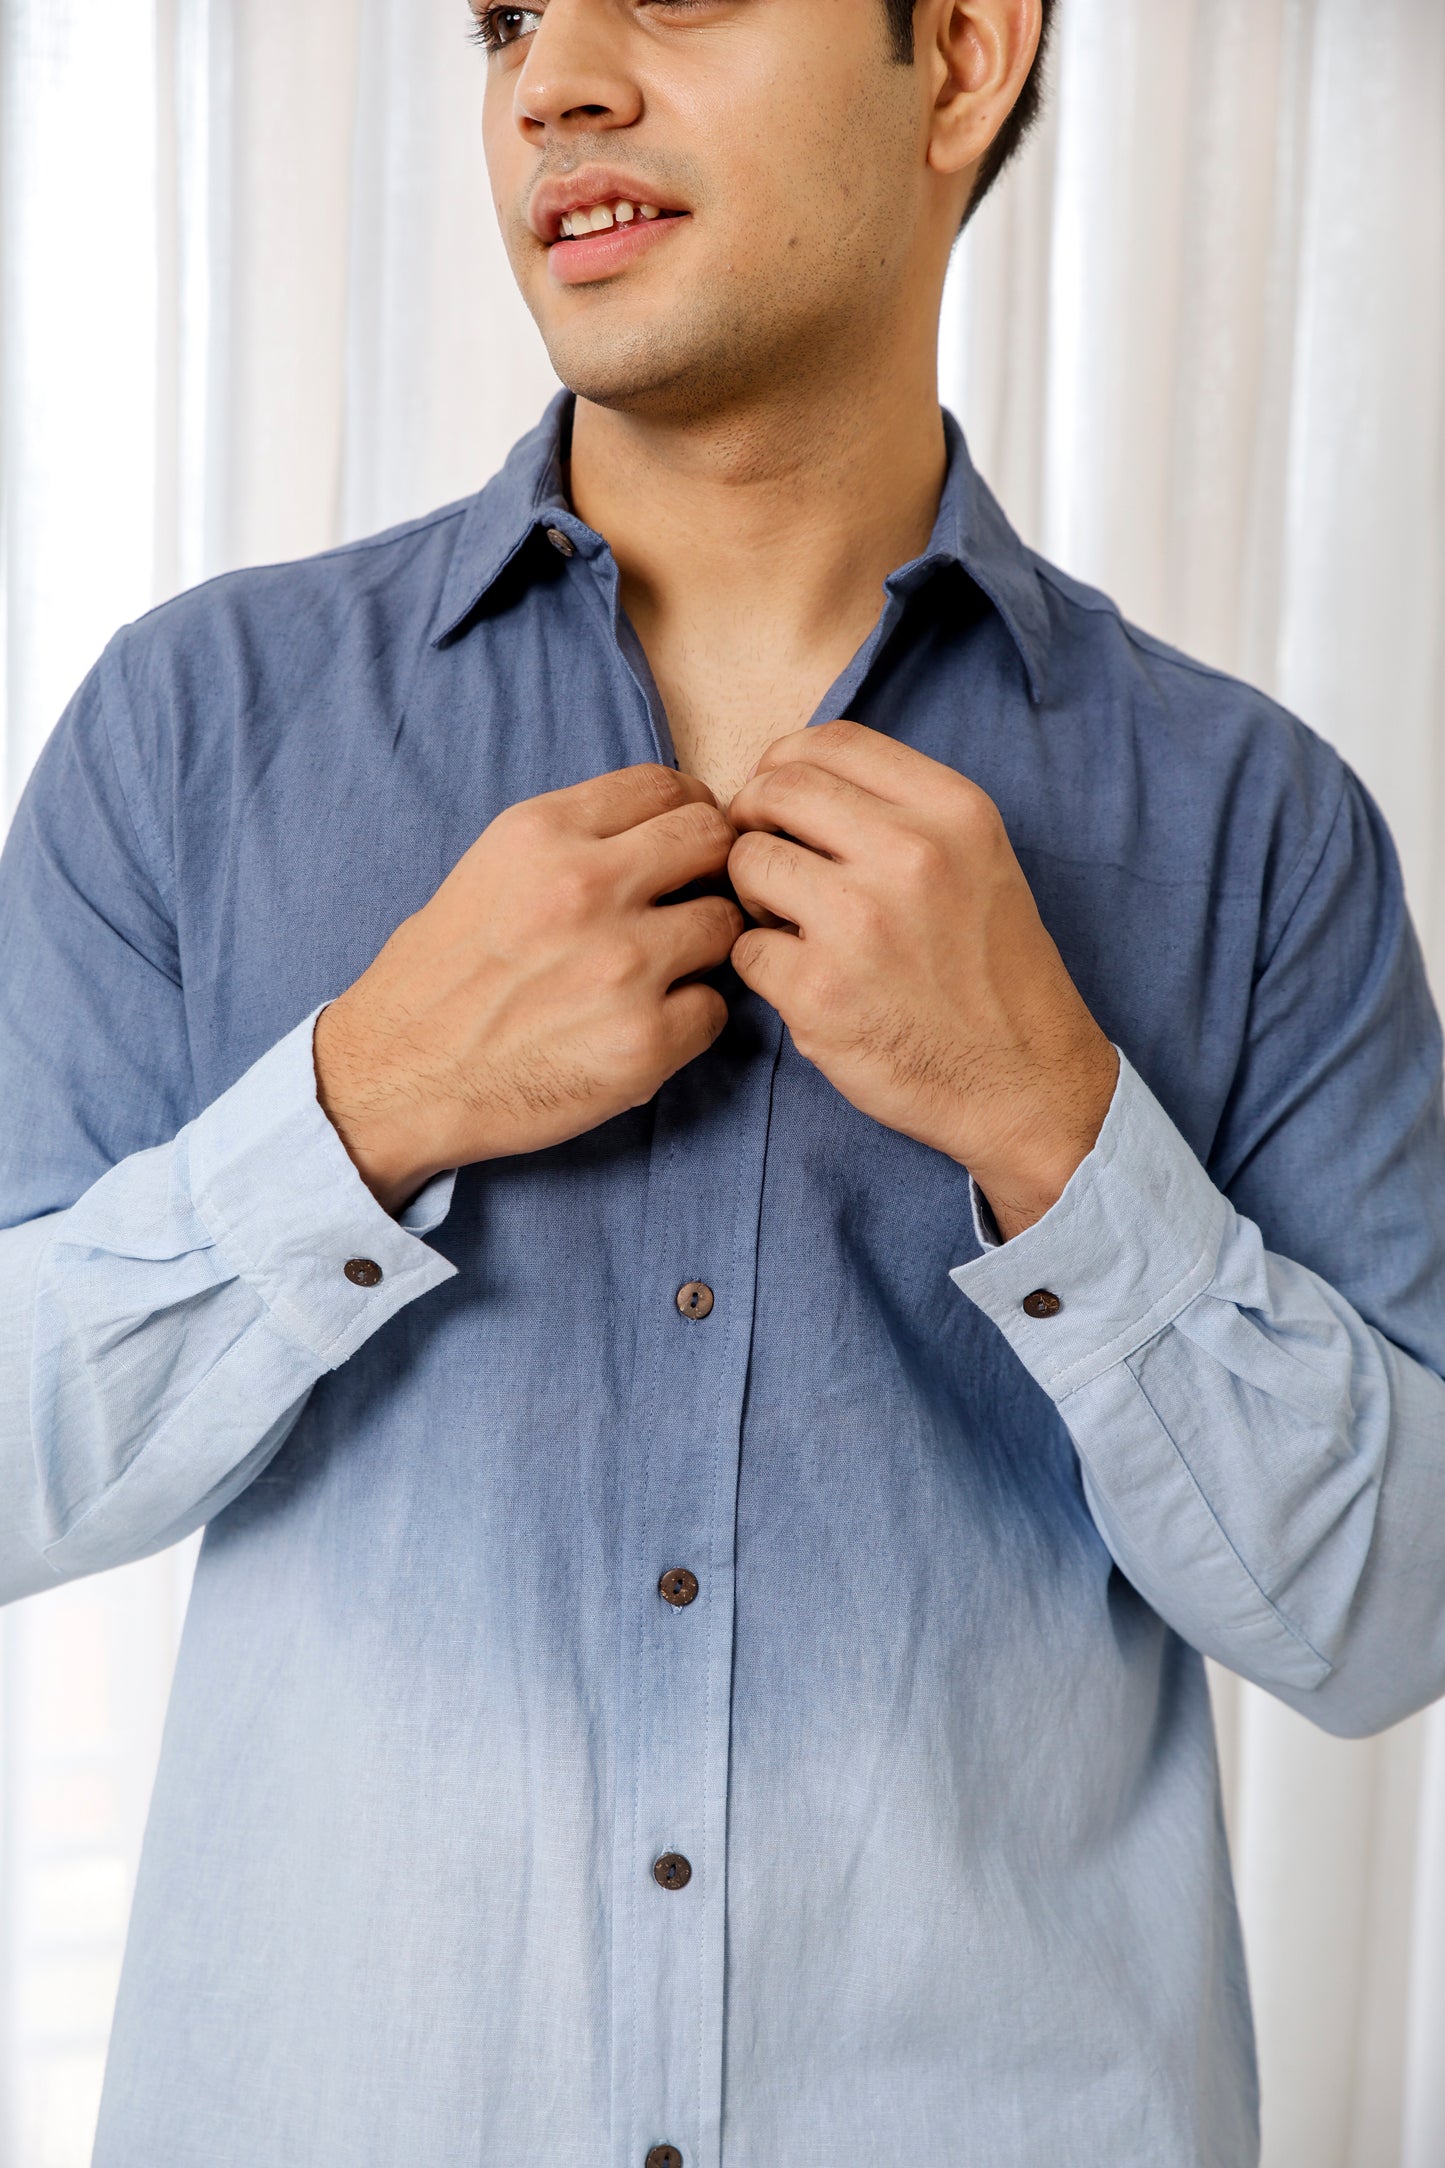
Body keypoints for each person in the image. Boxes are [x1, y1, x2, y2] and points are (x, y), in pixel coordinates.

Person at [2, 0, 1443, 2159]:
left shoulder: (1252, 821)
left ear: (957, 55)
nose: (547, 81)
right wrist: (361, 1104)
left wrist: (1058, 1129)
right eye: (505, 20)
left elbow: (1394, 1618)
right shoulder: (196, 727)